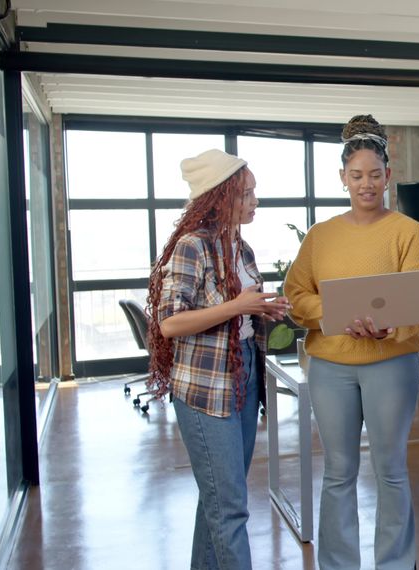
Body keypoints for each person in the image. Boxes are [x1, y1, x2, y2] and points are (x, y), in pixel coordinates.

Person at [285, 114, 419, 570]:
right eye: (356, 176)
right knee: (338, 472)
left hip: (391, 365)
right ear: (343, 179)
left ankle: (395, 563)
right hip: (330, 367)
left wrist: (390, 328)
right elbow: (295, 295)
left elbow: (417, 299)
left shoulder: (409, 233)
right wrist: (332, 315)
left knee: (390, 471)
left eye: (374, 175)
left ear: (388, 176)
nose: (365, 184)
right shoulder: (319, 236)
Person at [145, 149, 290, 570]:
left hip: (243, 373)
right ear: (220, 195)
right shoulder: (193, 247)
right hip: (205, 388)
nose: (254, 202)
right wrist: (236, 306)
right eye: (246, 194)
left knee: (218, 499)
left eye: (254, 193)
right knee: (230, 508)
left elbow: (239, 310)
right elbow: (170, 323)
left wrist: (261, 309)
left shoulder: (241, 249)